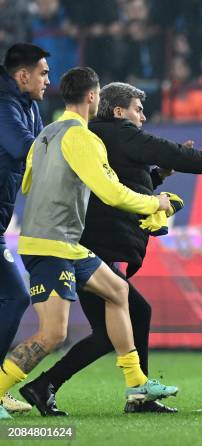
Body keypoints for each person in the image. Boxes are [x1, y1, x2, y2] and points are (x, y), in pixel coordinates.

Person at [20, 81, 202, 415]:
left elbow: (120, 186)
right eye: (138, 110)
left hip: (88, 244)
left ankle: (129, 393)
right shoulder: (116, 132)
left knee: (127, 319)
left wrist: (158, 177)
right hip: (93, 247)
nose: (142, 117)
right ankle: (52, 385)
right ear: (119, 110)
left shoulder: (99, 138)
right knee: (111, 324)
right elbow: (171, 152)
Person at [0, 67, 178, 420]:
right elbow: (112, 193)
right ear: (93, 96)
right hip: (51, 245)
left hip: (65, 240)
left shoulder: (45, 134)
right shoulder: (84, 138)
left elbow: (28, 183)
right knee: (52, 333)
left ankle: (136, 382)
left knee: (118, 291)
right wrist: (154, 203)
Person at [0, 43, 49, 418]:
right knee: (15, 297)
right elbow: (24, 148)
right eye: (43, 73)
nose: (48, 80)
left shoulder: (28, 106)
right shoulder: (3, 104)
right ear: (23, 75)